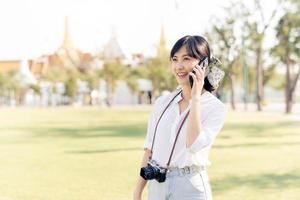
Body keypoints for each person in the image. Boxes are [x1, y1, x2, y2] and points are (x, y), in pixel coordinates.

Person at [133, 35, 227, 200]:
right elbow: (150, 150)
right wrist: (137, 191)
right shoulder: (162, 103)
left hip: (189, 186)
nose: (179, 66)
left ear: (203, 64)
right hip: (157, 185)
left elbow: (193, 144)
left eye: (186, 58)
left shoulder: (215, 108)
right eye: (175, 59)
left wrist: (195, 98)